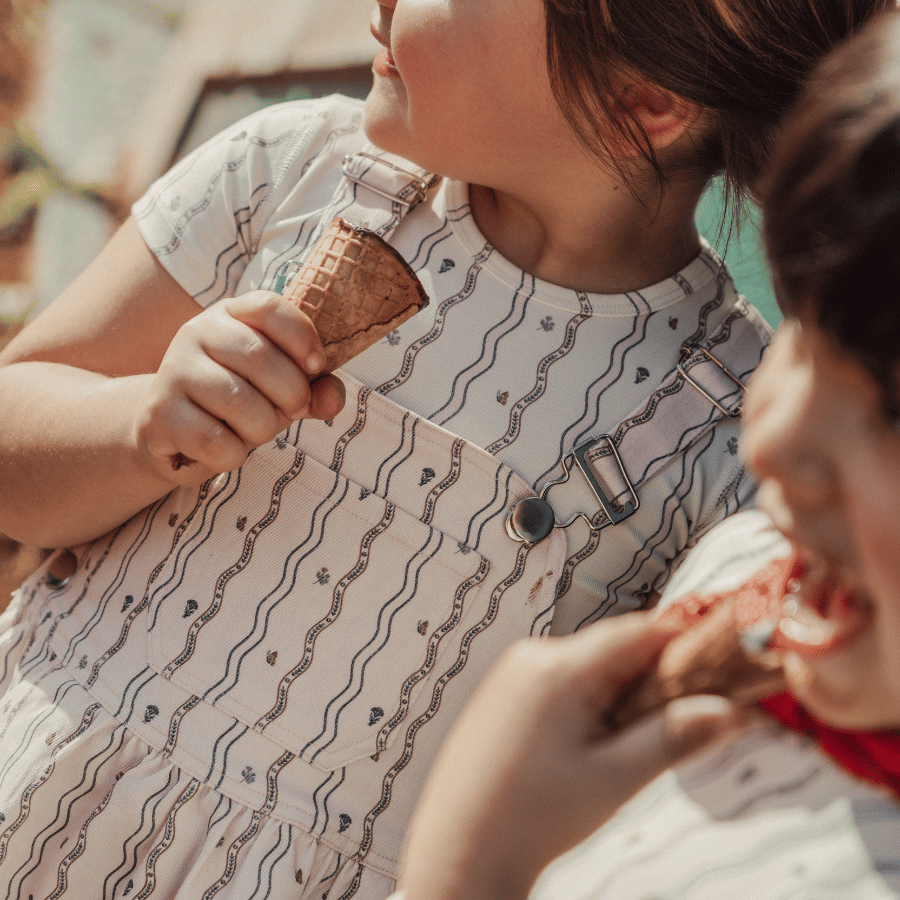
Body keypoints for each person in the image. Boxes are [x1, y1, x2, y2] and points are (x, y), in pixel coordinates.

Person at [0, 1, 889, 897]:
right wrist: (139, 427)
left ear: (644, 102)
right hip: (41, 801)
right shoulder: (292, 177)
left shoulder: (730, 427)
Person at [389, 9, 900, 899]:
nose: (773, 441)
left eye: (891, 411)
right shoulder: (757, 565)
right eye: (805, 330)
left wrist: (469, 870)